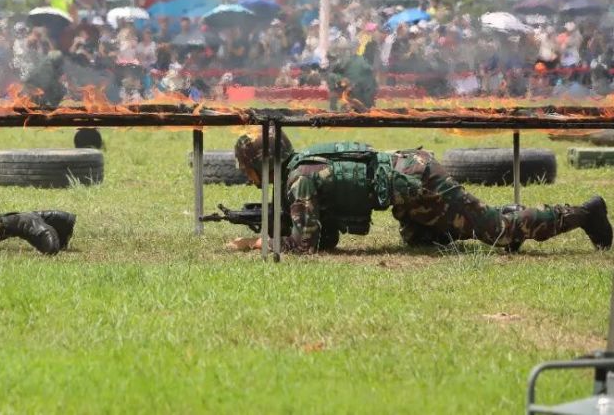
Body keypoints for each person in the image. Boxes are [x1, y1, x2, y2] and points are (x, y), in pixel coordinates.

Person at [232, 141, 612, 254]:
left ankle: (583, 214)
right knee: (420, 239)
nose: (249, 178)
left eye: (248, 169)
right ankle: (479, 220)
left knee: (496, 229)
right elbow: (326, 238)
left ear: (261, 163)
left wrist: (261, 242)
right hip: (408, 190)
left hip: (417, 182)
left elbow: (306, 246)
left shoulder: (300, 179)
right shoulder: (300, 169)